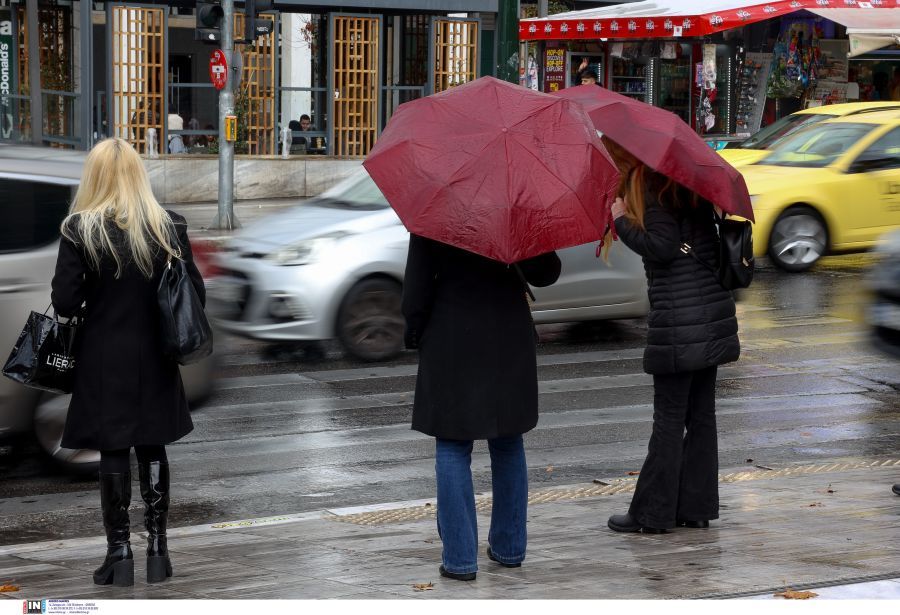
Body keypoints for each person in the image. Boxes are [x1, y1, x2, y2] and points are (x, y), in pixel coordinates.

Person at [51, 138, 205, 587]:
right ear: (138, 175)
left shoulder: (80, 229)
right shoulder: (168, 227)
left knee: (113, 450)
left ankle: (119, 556)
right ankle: (159, 552)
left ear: (95, 177)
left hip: (103, 358)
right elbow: (194, 292)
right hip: (156, 357)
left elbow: (65, 302)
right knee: (153, 446)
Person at [601, 135, 740, 534]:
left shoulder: (648, 184)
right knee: (701, 417)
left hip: (680, 323)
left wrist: (621, 219)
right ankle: (696, 508)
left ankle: (653, 514)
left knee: (669, 419)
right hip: (711, 316)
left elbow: (661, 246)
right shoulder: (688, 183)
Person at [402, 234, 561, 581]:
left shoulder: (437, 207)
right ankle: (509, 548)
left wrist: (414, 329)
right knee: (508, 441)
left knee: (452, 443)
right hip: (508, 332)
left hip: (452, 333)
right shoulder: (517, 206)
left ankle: (459, 559)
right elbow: (547, 272)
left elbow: (417, 284)